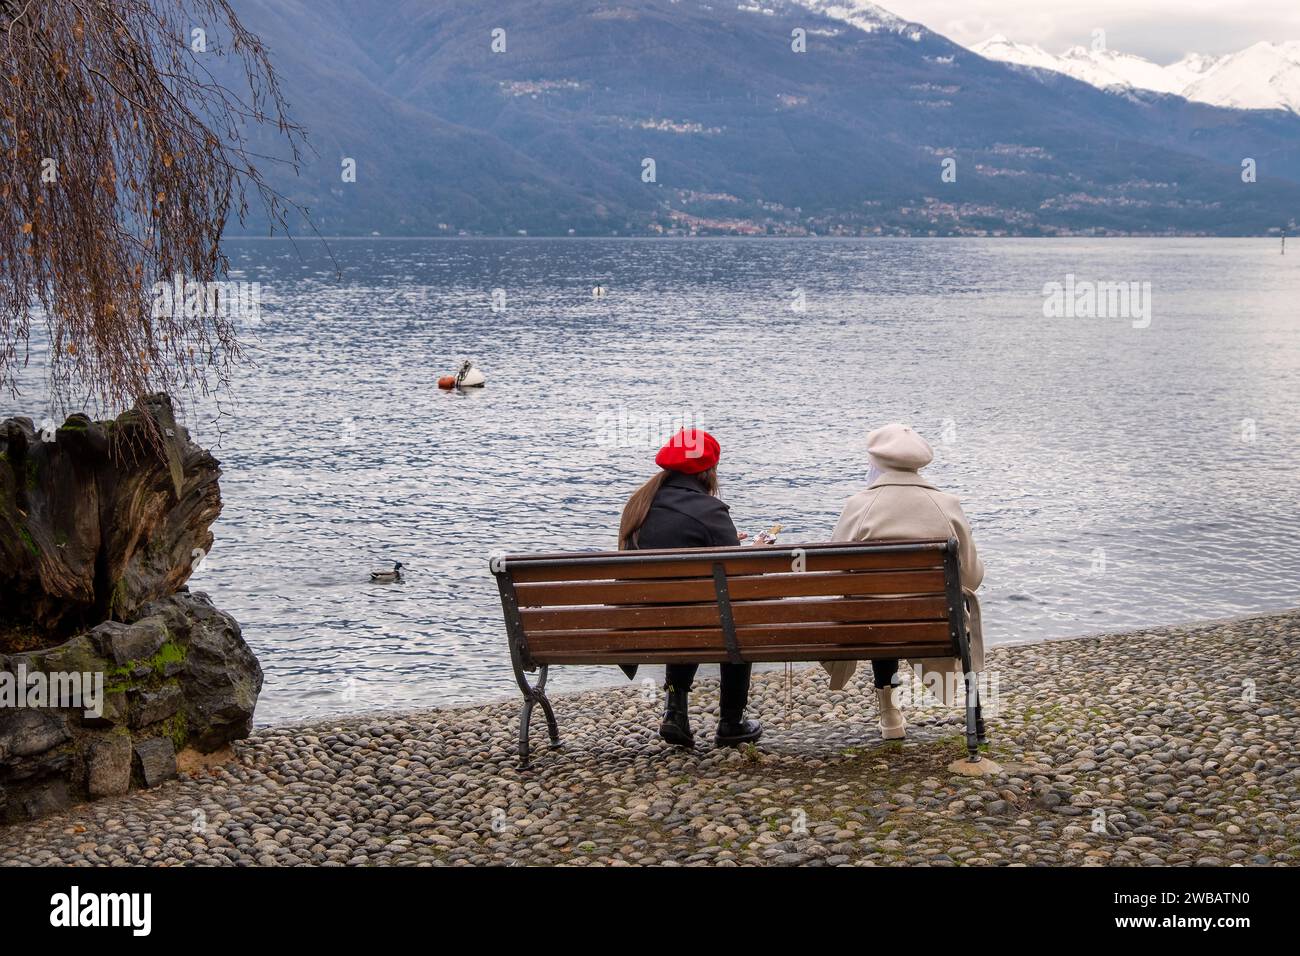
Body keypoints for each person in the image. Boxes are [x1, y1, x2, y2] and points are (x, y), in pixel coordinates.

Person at [825, 423, 984, 740]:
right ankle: (975, 718)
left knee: (876, 607)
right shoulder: (947, 505)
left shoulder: (858, 506)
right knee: (914, 608)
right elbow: (972, 577)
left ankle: (890, 713)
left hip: (872, 629)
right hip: (935, 624)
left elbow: (834, 576)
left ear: (876, 462)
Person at [618, 427, 762, 748]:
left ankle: (675, 711)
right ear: (708, 472)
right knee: (733, 615)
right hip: (694, 624)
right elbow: (736, 580)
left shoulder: (638, 506)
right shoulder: (711, 511)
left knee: (682, 608)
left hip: (643, 628)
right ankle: (731, 721)